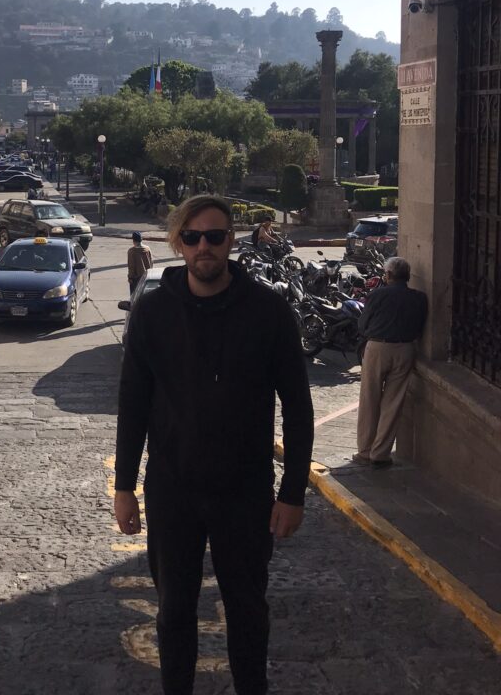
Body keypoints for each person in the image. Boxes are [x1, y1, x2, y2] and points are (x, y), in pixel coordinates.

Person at [114, 194, 314, 695]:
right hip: (172, 491)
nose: (205, 246)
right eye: (193, 236)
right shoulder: (154, 311)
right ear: (178, 243)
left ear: (231, 242)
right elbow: (133, 404)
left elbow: (297, 405)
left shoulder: (268, 311)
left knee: (248, 611)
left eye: (216, 236)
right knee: (174, 611)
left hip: (244, 492)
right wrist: (124, 487)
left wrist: (292, 493)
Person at [353, 256, 427, 469]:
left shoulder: (378, 295)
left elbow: (363, 324)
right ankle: (381, 453)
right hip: (405, 349)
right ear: (408, 276)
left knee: (370, 398)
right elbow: (420, 325)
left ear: (389, 275)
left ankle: (365, 450)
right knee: (393, 403)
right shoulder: (420, 298)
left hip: (378, 347)